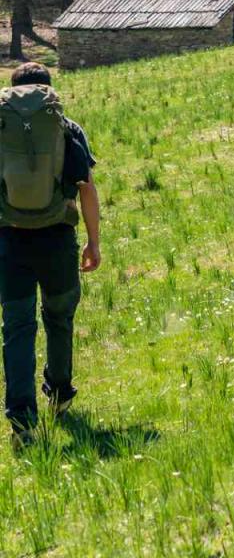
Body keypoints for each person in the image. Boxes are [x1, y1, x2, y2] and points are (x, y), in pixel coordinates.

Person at [0, 62, 102, 450]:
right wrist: (94, 242)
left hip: (9, 240)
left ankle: (22, 422)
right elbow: (86, 189)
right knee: (59, 318)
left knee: (18, 327)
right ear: (49, 91)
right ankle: (59, 393)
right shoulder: (66, 127)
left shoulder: (1, 125)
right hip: (58, 239)